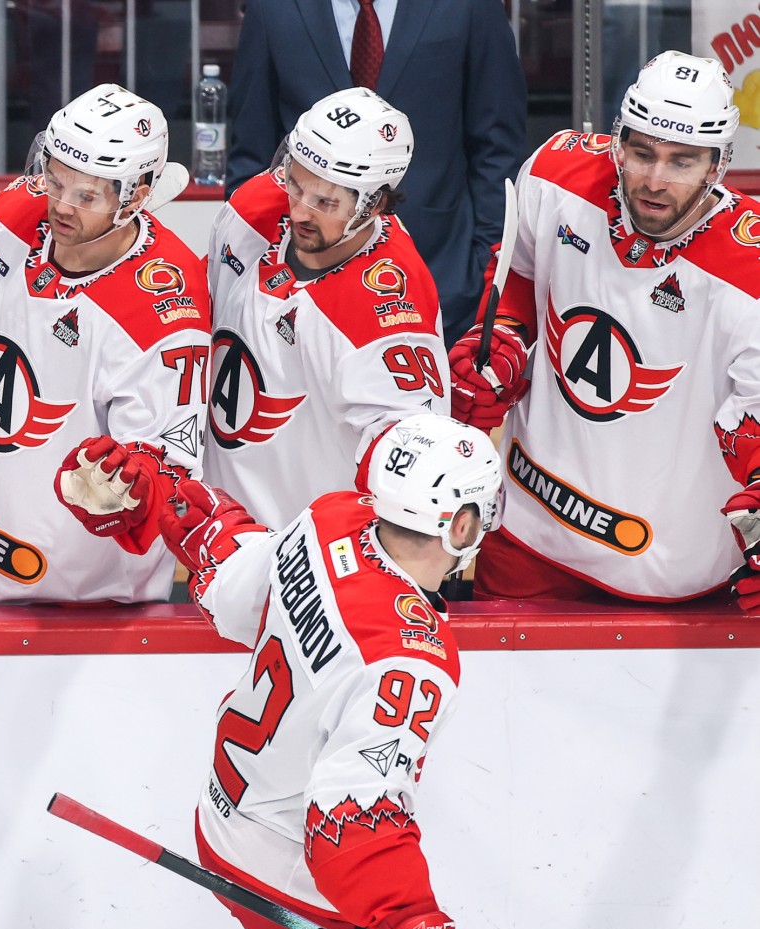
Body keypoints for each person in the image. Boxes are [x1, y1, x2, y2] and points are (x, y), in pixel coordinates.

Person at [131, 413, 501, 929]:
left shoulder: (329, 521)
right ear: (460, 525)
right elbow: (351, 816)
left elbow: (231, 585)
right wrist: (414, 922)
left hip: (225, 815)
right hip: (285, 861)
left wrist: (168, 495)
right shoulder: (410, 657)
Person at [448, 51, 760, 609]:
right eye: (641, 153)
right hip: (530, 529)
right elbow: (519, 273)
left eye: (682, 161)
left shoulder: (749, 265)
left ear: (717, 165)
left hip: (671, 563)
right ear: (617, 141)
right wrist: (505, 341)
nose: (655, 181)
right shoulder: (555, 173)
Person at [0, 83, 209, 604]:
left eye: (86, 195)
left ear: (136, 197)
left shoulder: (163, 312)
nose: (60, 206)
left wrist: (130, 490)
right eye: (55, 179)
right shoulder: (11, 217)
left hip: (82, 595)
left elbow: (165, 466)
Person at [206, 86, 445, 529]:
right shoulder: (253, 208)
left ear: (374, 204)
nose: (299, 212)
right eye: (295, 183)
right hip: (213, 527)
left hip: (311, 546)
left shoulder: (389, 308)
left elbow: (411, 465)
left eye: (325, 202)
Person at [226, 0, 526, 344]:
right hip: (299, 294)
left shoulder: (471, 6)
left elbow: (498, 148)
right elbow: (251, 155)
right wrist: (251, 279)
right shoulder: (272, 8)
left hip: (443, 283)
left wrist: (486, 274)